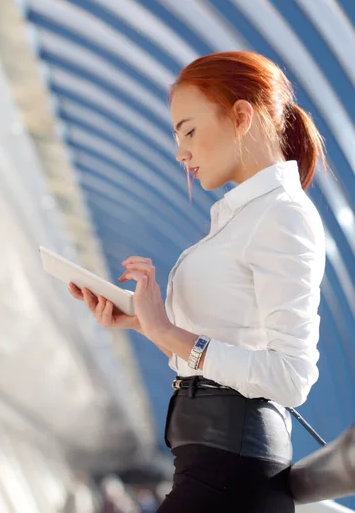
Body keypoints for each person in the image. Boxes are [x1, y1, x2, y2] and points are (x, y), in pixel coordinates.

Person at [68, 51, 327, 512]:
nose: (179, 151)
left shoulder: (281, 215)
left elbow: (291, 377)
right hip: (212, 465)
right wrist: (141, 321)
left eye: (189, 130)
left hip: (232, 470)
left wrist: (168, 332)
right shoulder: (242, 217)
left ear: (241, 116)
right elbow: (222, 345)